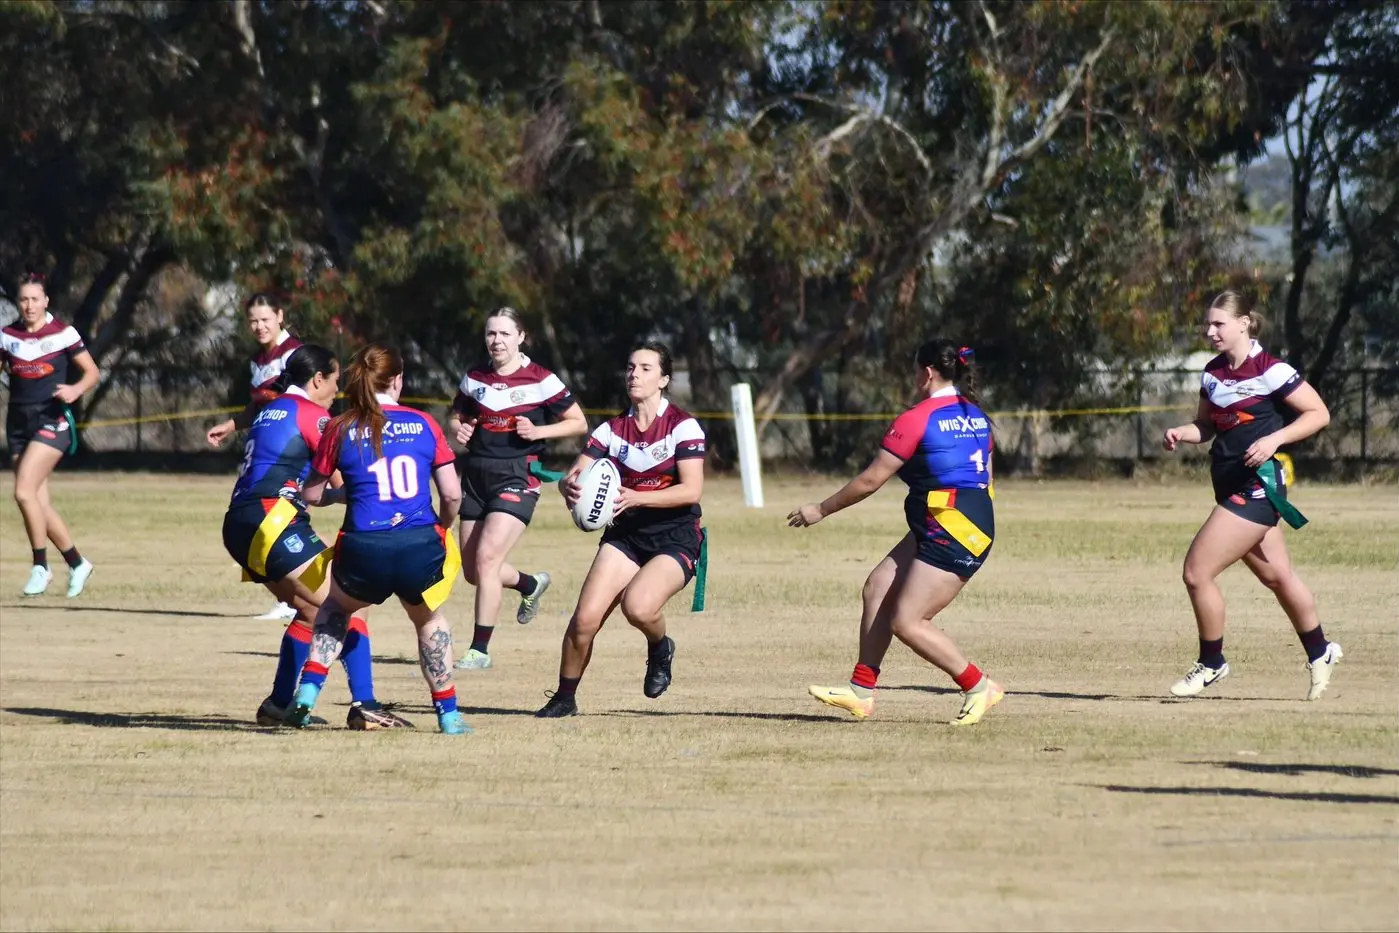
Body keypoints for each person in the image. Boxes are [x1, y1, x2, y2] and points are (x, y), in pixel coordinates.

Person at [790, 339, 1004, 726]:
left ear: (927, 372)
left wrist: (820, 509)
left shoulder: (917, 418)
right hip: (956, 518)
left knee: (908, 621)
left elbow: (871, 480)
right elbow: (986, 477)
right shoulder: (975, 415)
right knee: (878, 588)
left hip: (952, 525)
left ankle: (978, 685)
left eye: (915, 369)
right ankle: (861, 690)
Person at [221, 343, 412, 730]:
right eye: (335, 380)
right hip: (272, 521)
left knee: (311, 611)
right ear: (318, 379)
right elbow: (344, 481)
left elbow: (312, 489)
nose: (338, 389)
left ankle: (278, 704)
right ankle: (366, 705)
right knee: (348, 602)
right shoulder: (312, 415)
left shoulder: (271, 408)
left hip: (240, 523)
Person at [1162, 290, 1341, 700]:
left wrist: (1275, 439)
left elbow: (1319, 414)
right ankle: (1321, 650)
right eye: (1207, 324)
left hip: (1258, 486)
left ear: (1244, 323)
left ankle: (1212, 662)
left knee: (1197, 572)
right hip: (1228, 485)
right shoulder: (1212, 373)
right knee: (1278, 577)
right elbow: (1206, 427)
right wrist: (1181, 433)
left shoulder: (1271, 370)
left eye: (1218, 324)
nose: (1210, 331)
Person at [286, 344, 470, 735]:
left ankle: (307, 693)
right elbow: (453, 495)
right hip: (418, 543)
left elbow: (312, 494)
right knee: (428, 620)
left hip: (364, 546)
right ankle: (449, 715)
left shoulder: (340, 427)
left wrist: (341, 495)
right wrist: (442, 526)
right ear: (398, 379)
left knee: (336, 609)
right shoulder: (424, 423)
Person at [537, 342, 705, 718]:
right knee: (584, 620)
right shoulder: (612, 430)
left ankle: (659, 647)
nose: (634, 374)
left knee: (638, 607)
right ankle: (564, 698)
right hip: (625, 535)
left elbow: (691, 490)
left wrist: (639, 497)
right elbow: (577, 472)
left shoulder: (682, 426)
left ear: (663, 379)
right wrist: (568, 487)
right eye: (630, 367)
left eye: (646, 368)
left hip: (675, 535)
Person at [446, 307, 587, 671]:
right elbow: (456, 416)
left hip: (518, 475)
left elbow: (578, 422)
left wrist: (539, 431)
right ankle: (529, 584)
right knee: (474, 571)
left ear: (521, 337)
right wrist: (459, 428)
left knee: (488, 560)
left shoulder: (542, 379)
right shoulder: (475, 377)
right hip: (476, 476)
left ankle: (479, 650)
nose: (497, 341)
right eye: (491, 334)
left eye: (505, 334)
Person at [207, 293, 304, 622]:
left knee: (278, 518)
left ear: (280, 316)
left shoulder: (293, 354)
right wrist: (231, 426)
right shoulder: (258, 360)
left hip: (291, 446)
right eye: (253, 321)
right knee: (253, 518)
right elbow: (258, 404)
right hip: (265, 448)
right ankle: (288, 596)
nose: (259, 326)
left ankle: (296, 597)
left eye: (265, 319)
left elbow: (304, 400)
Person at [2, 272, 99, 597]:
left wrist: (75, 390)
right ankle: (77, 563)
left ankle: (40, 567)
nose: (29, 305)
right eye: (23, 300)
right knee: (37, 502)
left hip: (52, 421)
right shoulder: (7, 336)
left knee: (23, 493)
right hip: (18, 425)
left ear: (46, 301)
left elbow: (92, 372)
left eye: (35, 299)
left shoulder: (62, 333)